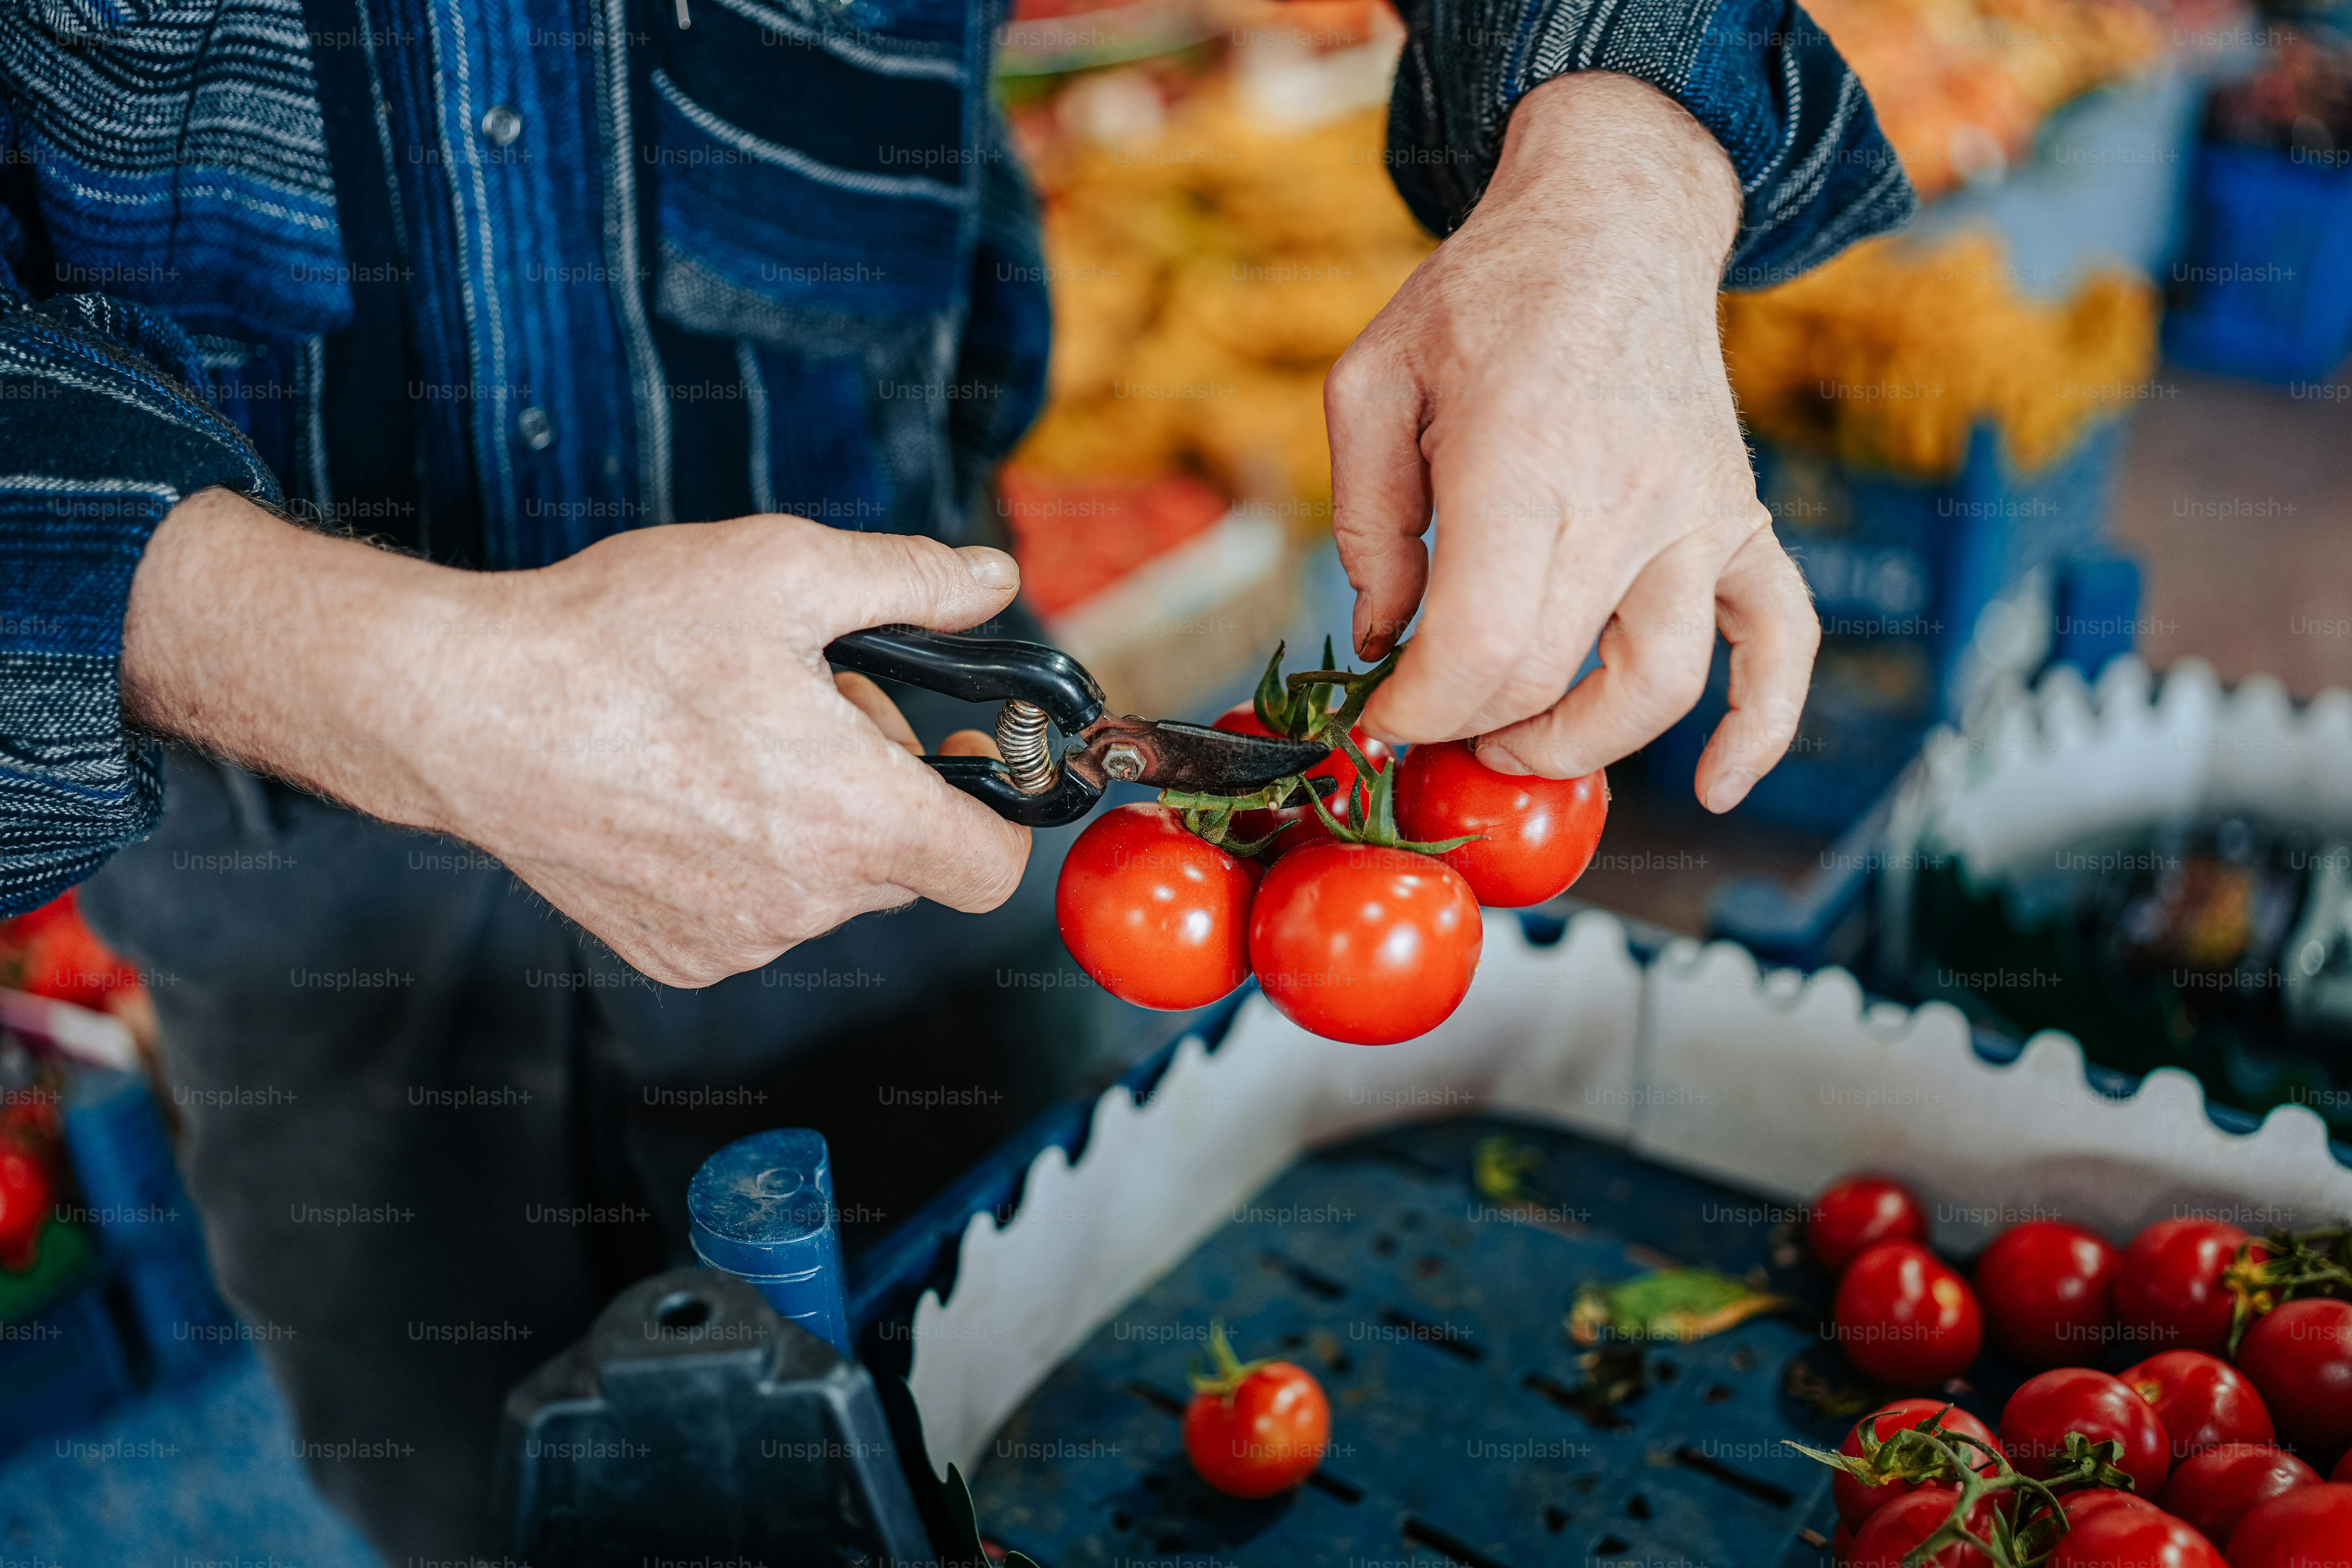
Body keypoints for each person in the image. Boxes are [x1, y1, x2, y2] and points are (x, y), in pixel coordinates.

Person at [0, 0, 1910, 1551]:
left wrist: (1620, 173)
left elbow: (1614, 122)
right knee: (464, 1485)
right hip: (279, 846)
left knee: (975, 1426)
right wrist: (371, 673)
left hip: (917, 771)